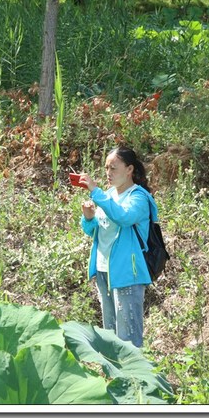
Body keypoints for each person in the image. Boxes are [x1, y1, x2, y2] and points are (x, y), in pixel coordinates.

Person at [76, 147, 159, 348]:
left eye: (113, 168)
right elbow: (97, 231)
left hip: (127, 272)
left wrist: (95, 192)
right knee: (110, 331)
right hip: (104, 270)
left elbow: (124, 217)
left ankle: (134, 377)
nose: (108, 173)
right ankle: (113, 374)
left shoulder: (138, 197)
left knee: (128, 335)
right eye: (106, 168)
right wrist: (88, 218)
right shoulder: (109, 195)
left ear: (129, 169)